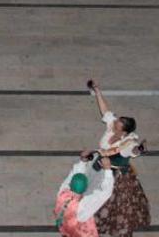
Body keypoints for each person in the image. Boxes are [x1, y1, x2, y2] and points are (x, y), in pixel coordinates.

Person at [86, 80, 150, 236]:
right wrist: (97, 91)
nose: (114, 122)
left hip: (116, 176)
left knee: (112, 203)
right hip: (99, 166)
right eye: (117, 121)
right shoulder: (111, 127)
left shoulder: (128, 142)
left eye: (118, 123)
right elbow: (105, 111)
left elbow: (133, 150)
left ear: (123, 131)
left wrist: (140, 149)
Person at [54, 158, 114, 237]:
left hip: (66, 228)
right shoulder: (83, 205)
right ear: (86, 188)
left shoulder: (62, 193)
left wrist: (82, 161)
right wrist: (107, 170)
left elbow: (72, 176)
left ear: (70, 184)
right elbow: (105, 193)